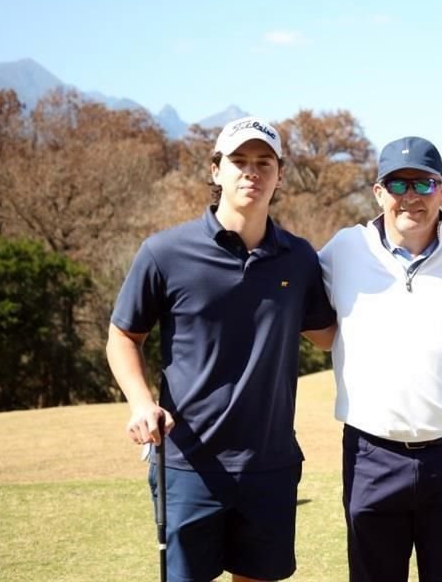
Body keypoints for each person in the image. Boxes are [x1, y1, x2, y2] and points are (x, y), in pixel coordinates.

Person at [107, 116, 336, 582]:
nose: (251, 172)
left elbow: (328, 336)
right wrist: (140, 403)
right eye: (239, 161)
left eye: (263, 162)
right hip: (188, 463)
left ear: (279, 174)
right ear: (216, 170)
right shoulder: (165, 252)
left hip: (270, 463)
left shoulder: (300, 257)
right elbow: (123, 336)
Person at [316, 136, 442, 582]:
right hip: (371, 455)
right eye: (397, 185)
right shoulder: (343, 251)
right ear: (378, 192)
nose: (410, 197)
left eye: (423, 185)